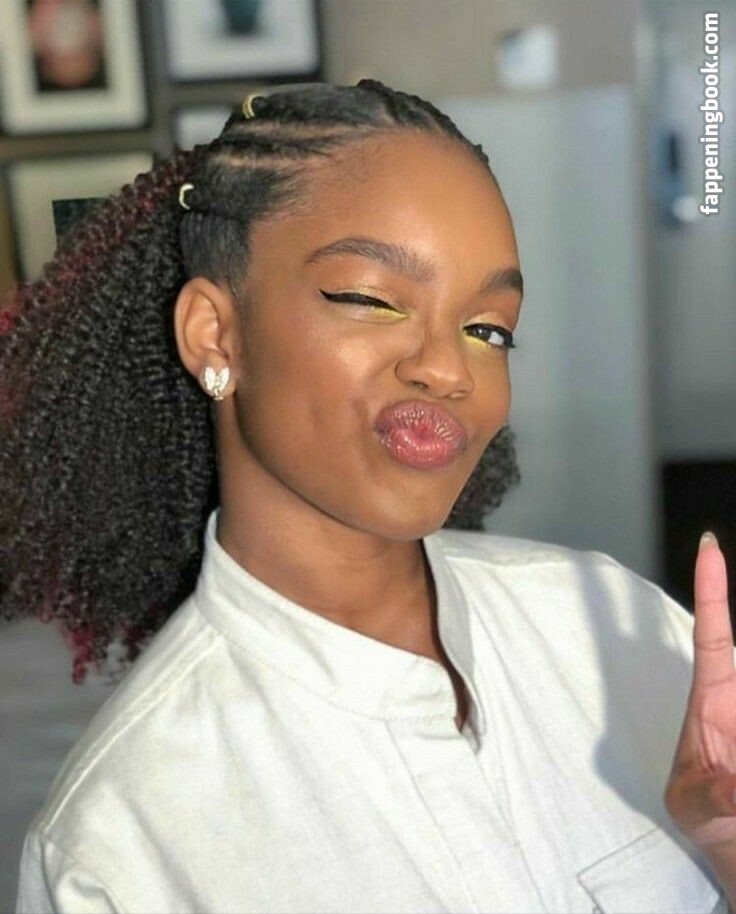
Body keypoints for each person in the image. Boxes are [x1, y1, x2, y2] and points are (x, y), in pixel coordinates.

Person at [1, 79, 731, 913]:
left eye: (487, 329)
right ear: (216, 335)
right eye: (372, 300)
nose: (448, 369)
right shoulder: (122, 843)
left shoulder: (618, 630)